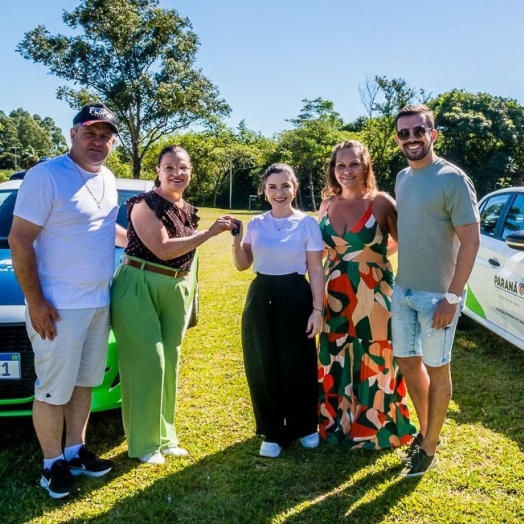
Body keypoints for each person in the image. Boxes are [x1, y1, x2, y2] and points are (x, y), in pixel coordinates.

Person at [9, 103, 124, 499]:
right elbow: (19, 240)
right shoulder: (46, 176)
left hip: (97, 302)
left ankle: (75, 450)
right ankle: (51, 464)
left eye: (106, 135)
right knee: (52, 389)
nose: (98, 141)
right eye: (90, 132)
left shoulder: (107, 178)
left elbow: (109, 229)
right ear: (72, 134)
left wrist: (156, 246)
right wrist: (35, 300)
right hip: (58, 306)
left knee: (84, 383)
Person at [110, 145, 236, 465]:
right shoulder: (144, 203)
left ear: (190, 171)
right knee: (147, 364)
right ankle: (143, 444)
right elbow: (163, 249)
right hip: (139, 284)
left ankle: (165, 438)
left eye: (183, 167)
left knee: (170, 361)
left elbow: (185, 258)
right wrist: (210, 233)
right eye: (169, 167)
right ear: (158, 170)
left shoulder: (187, 208)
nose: (176, 173)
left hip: (175, 286)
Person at [392, 104, 480, 477]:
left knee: (436, 368)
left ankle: (429, 446)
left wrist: (453, 297)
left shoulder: (452, 179)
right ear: (398, 139)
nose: (412, 138)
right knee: (409, 364)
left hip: (438, 297)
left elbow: (472, 242)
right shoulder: (401, 178)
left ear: (433, 134)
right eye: (404, 133)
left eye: (418, 131)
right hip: (403, 292)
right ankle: (428, 431)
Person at [317, 140, 416, 450]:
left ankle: (376, 428)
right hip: (333, 295)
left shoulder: (382, 203)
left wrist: (371, 257)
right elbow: (317, 252)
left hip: (374, 295)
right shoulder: (327, 204)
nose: (347, 170)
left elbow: (406, 244)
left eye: (353, 164)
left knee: (376, 359)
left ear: (366, 166)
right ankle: (338, 424)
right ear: (333, 170)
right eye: (340, 165)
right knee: (335, 357)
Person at [232, 163, 324, 458]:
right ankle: (273, 430)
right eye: (272, 187)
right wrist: (236, 239)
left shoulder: (307, 223)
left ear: (294, 188)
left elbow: (316, 269)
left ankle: (306, 425)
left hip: (296, 294)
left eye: (285, 186)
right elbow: (242, 264)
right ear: (264, 191)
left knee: (297, 362)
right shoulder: (257, 224)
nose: (279, 192)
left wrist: (317, 310)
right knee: (264, 363)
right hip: (261, 295)